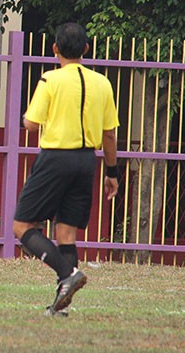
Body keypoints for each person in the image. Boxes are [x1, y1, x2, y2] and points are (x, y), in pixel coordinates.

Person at [12, 22, 119, 316]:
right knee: (66, 232)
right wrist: (112, 172)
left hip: (56, 157)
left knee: (22, 226)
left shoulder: (50, 80)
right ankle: (61, 303)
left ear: (55, 49)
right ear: (86, 49)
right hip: (86, 161)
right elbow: (109, 134)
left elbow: (31, 124)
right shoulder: (103, 83)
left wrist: (31, 115)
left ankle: (67, 273)